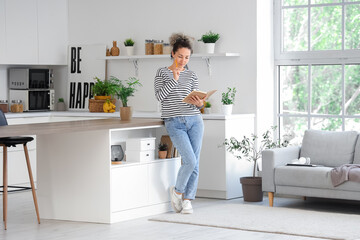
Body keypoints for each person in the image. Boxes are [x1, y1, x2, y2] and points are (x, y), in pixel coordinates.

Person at [154, 33, 204, 214]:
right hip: (174, 122)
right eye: (180, 56)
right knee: (189, 160)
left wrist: (200, 103)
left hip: (195, 120)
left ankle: (188, 200)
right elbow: (159, 96)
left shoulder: (192, 74)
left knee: (195, 162)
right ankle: (177, 192)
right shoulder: (162, 72)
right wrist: (174, 80)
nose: (183, 60)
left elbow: (198, 100)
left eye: (187, 57)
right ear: (173, 53)